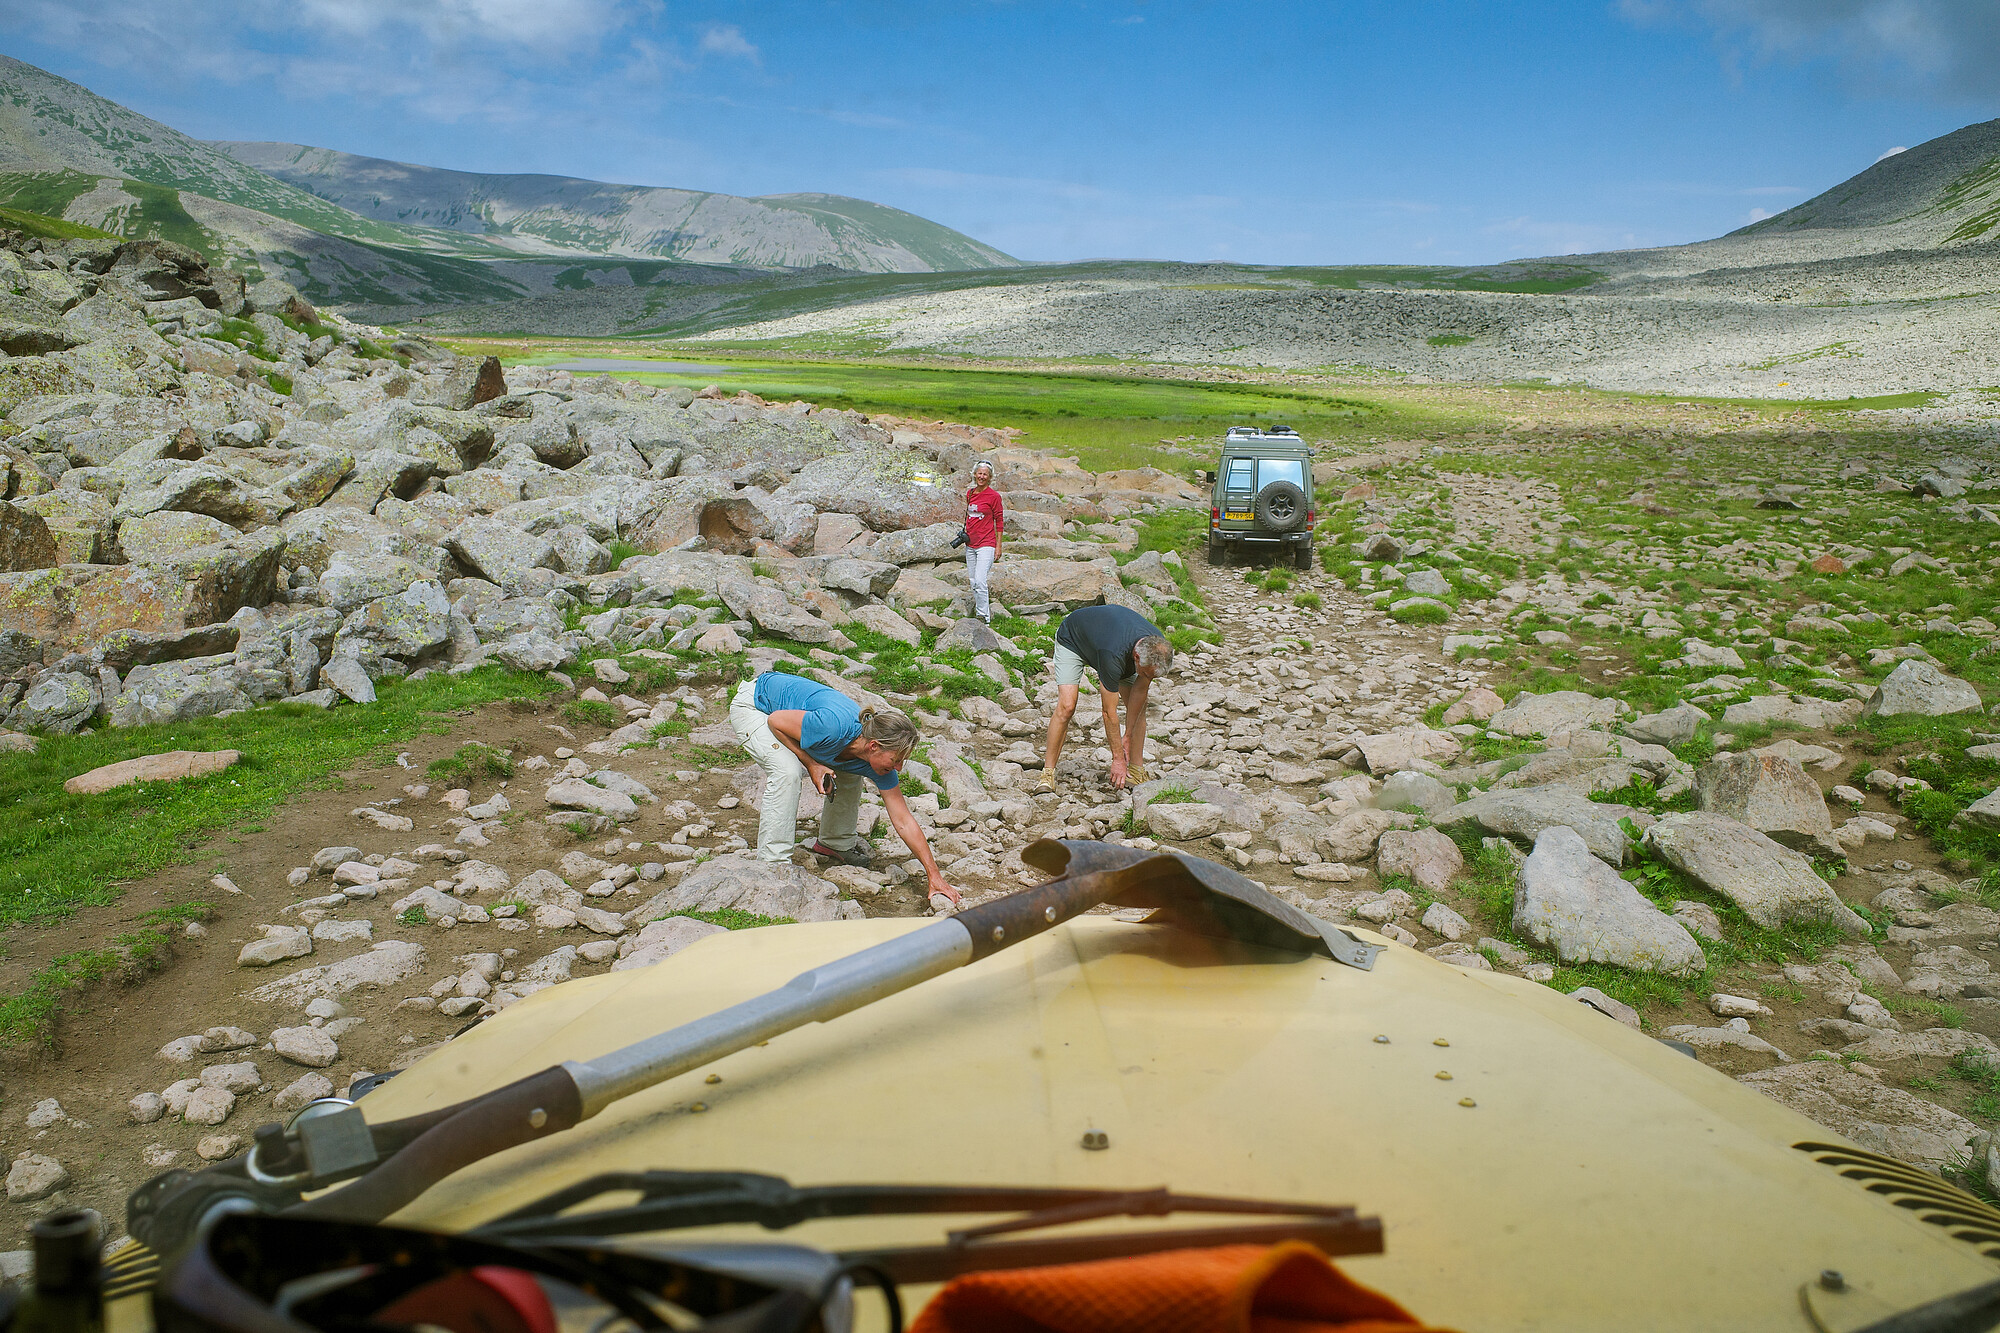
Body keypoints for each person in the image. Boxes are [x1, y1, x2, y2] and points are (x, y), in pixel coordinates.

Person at [730, 671, 962, 908]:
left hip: (789, 719)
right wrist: (812, 765)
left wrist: (935, 876)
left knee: (851, 771)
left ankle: (834, 843)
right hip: (757, 705)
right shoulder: (832, 728)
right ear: (874, 746)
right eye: (896, 760)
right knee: (787, 771)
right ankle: (773, 865)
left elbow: (903, 819)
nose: (899, 768)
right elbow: (776, 721)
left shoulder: (874, 759)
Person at [1038, 603, 1173, 793]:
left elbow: (1139, 693)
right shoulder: (1113, 654)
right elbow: (1109, 712)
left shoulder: (1156, 648)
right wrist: (1117, 758)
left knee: (1140, 709)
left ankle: (1136, 770)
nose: (1148, 679)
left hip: (1109, 641)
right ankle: (1047, 774)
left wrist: (1127, 735)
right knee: (1067, 705)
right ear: (1136, 657)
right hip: (1074, 639)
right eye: (1146, 674)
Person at [964, 461, 1004, 624]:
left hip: (987, 544)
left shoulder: (994, 496)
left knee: (980, 580)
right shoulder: (970, 493)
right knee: (973, 581)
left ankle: (984, 618)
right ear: (974, 474)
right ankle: (981, 613)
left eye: (985, 474)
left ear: (990, 477)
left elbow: (999, 521)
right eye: (979, 473)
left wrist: (998, 546)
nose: (981, 476)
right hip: (970, 544)